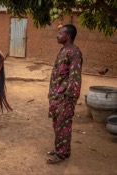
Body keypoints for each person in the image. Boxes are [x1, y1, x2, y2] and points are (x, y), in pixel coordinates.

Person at [47, 24, 83, 164]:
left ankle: (61, 154)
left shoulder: (74, 52)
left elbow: (75, 77)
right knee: (57, 124)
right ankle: (62, 150)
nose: (57, 35)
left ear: (68, 36)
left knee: (64, 125)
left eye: (60, 33)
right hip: (56, 96)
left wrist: (71, 98)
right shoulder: (63, 50)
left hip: (65, 97)